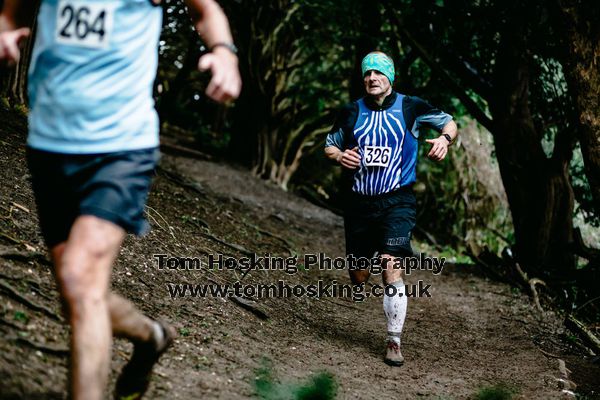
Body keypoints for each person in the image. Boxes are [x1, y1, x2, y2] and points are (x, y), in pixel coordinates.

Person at [0, 0, 241, 398]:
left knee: (81, 279)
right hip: (49, 144)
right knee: (76, 295)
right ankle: (152, 336)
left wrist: (224, 53)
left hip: (121, 147)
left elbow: (205, 10)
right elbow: (15, 10)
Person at [324, 51, 457, 367]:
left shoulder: (411, 107)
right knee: (358, 274)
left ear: (390, 77)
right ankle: (361, 273)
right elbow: (330, 144)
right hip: (359, 204)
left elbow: (450, 123)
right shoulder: (351, 111)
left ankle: (393, 342)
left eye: (378, 73)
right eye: (367, 74)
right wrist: (339, 156)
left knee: (390, 264)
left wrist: (444, 141)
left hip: (398, 200)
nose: (371, 78)